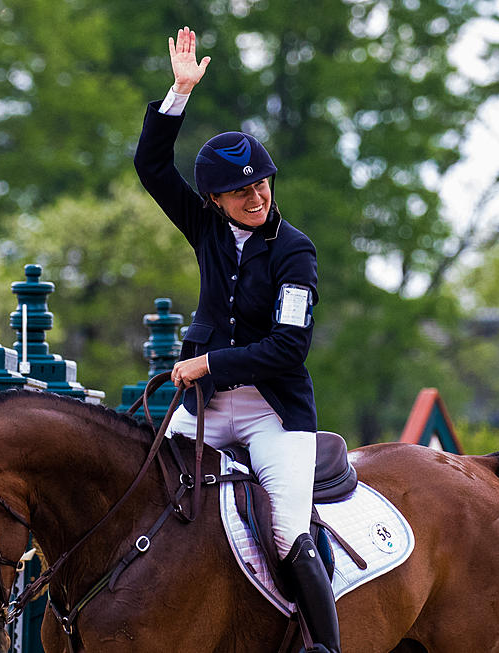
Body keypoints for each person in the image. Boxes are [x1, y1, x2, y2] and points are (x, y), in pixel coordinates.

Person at [134, 26, 339, 653]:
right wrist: (179, 92)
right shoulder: (206, 229)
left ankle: (324, 647)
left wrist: (207, 362)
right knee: (137, 488)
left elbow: (288, 349)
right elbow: (150, 165)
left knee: (289, 536)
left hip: (271, 414)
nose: (256, 196)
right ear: (214, 199)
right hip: (203, 411)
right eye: (241, 190)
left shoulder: (294, 251)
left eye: (262, 183)